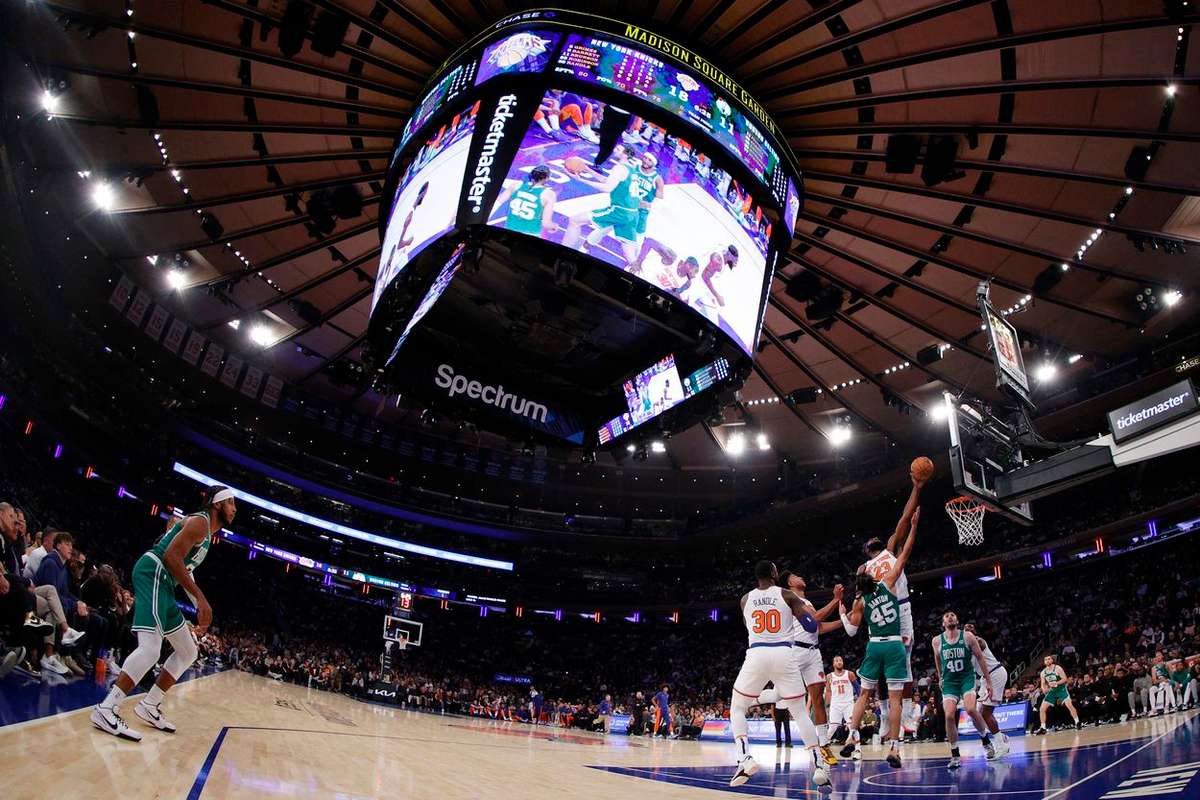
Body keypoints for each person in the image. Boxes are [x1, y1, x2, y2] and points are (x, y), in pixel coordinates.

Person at [92, 486, 236, 741]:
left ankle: (149, 705)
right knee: (150, 649)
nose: (235, 509)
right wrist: (200, 599)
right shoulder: (199, 522)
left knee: (188, 651)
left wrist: (200, 601)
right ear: (217, 504)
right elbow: (171, 557)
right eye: (231, 503)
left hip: (165, 583)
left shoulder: (205, 534)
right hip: (154, 572)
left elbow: (186, 570)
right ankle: (106, 708)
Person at [727, 560, 829, 789]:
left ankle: (745, 759)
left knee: (737, 707)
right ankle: (820, 766)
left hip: (757, 653)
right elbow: (812, 627)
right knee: (800, 712)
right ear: (774, 574)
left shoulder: (745, 599)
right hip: (785, 653)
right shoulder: (787, 595)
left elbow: (749, 627)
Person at [839, 507, 921, 768]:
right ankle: (895, 748)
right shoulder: (888, 583)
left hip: (874, 648)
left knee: (863, 696)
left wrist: (843, 609)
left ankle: (852, 736)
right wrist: (915, 526)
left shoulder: (861, 601)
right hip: (895, 645)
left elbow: (852, 629)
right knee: (896, 699)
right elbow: (905, 552)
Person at [859, 467, 929, 732]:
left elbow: (906, 515)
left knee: (905, 662)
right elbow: (861, 599)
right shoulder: (863, 570)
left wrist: (917, 487)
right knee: (878, 669)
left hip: (901, 608)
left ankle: (908, 711)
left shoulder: (890, 547)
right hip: (879, 616)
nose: (873, 539)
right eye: (869, 541)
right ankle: (886, 713)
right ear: (867, 551)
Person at [777, 572, 843, 765]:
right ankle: (749, 700)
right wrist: (835, 600)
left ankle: (823, 746)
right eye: (797, 576)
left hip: (813, 653)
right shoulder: (792, 598)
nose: (801, 577)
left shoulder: (806, 600)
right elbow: (815, 619)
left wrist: (845, 622)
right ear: (790, 583)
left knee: (818, 700)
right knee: (779, 696)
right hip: (795, 650)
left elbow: (818, 628)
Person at [932, 611, 995, 768]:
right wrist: (940, 677)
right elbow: (937, 660)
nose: (950, 617)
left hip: (966, 678)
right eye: (947, 616)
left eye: (953, 615)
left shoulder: (967, 636)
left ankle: (986, 740)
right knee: (949, 716)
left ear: (957, 620)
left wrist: (988, 681)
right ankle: (955, 755)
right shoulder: (936, 641)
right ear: (943, 623)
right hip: (950, 682)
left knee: (971, 709)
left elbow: (980, 657)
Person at [963, 622, 1011, 757]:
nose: (969, 630)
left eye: (971, 628)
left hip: (994, 674)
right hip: (985, 678)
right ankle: (1000, 737)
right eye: (966, 629)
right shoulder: (965, 647)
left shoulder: (979, 641)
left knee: (986, 713)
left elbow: (978, 645)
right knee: (976, 713)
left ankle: (1001, 746)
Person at [493, 166, 557, 237]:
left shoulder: (516, 185)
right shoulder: (549, 194)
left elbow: (496, 204)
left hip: (509, 229)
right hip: (531, 234)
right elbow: (546, 223)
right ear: (547, 178)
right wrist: (554, 227)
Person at [1033, 655, 1082, 734]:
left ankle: (1077, 722)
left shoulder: (1057, 668)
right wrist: (1044, 689)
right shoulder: (1043, 672)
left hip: (1061, 689)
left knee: (1069, 705)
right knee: (1042, 709)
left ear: (1052, 660)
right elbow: (1042, 684)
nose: (1047, 661)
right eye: (1045, 660)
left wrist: (1056, 683)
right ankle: (1043, 727)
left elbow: (1065, 679)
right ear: (1044, 662)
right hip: (1052, 691)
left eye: (1049, 659)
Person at [825, 655, 857, 744]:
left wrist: (861, 700)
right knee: (832, 727)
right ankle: (823, 745)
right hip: (835, 704)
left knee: (852, 726)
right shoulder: (829, 676)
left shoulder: (850, 674)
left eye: (840, 660)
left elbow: (858, 688)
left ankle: (855, 747)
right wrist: (828, 705)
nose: (839, 662)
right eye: (837, 661)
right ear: (833, 664)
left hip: (848, 704)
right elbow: (828, 691)